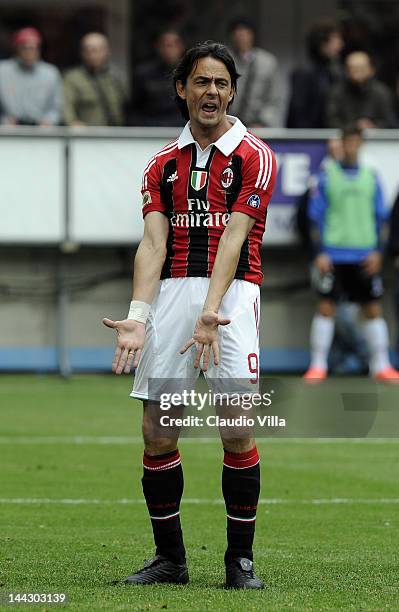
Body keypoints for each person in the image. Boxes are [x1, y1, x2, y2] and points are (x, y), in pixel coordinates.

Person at [103, 41, 277, 588]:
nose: (212, 93)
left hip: (233, 299)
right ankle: (171, 561)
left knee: (236, 429)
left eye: (222, 84)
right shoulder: (162, 165)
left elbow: (235, 236)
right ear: (182, 88)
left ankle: (239, 562)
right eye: (202, 82)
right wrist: (138, 314)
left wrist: (210, 311)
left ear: (232, 92)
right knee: (159, 432)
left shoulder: (255, 155)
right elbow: (152, 245)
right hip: (174, 297)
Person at [304, 126, 399, 382]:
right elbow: (314, 218)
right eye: (348, 142)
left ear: (361, 145)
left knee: (372, 309)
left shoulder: (371, 177)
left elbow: (382, 219)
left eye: (356, 142)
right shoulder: (326, 176)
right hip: (333, 256)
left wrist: (378, 253)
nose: (351, 147)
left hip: (364, 256)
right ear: (341, 144)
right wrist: (320, 253)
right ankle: (318, 365)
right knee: (325, 308)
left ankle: (380, 365)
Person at [286, 19, 343, 128]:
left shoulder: (335, 71)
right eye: (336, 39)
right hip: (309, 138)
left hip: (328, 136)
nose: (340, 44)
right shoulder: (304, 73)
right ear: (323, 44)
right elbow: (298, 114)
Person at [0, 27, 62, 126]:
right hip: (8, 129)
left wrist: (49, 120)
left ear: (39, 49)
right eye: (25, 47)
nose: (29, 51)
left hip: (40, 129)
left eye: (33, 47)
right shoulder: (2, 70)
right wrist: (3, 121)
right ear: (17, 48)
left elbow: (56, 107)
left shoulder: (50, 73)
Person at [63, 32, 125, 126]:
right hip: (88, 135)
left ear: (107, 51)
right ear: (82, 53)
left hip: (116, 133)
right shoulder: (73, 78)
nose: (92, 55)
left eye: (96, 50)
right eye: (88, 50)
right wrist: (72, 122)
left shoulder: (115, 77)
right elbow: (66, 107)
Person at [227, 17, 280, 127]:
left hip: (257, 125)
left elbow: (273, 99)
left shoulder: (267, 62)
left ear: (252, 35)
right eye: (237, 32)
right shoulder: (224, 59)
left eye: (244, 32)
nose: (241, 36)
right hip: (226, 122)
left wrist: (262, 122)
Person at [327, 51, 396, 129]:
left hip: (375, 138)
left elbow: (390, 121)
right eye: (353, 68)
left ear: (371, 69)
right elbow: (331, 121)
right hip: (345, 138)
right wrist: (354, 127)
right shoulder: (337, 92)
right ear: (346, 70)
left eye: (361, 68)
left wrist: (374, 126)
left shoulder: (382, 92)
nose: (357, 72)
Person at [130, 29, 185, 126]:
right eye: (166, 45)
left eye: (174, 45)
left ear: (181, 47)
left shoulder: (190, 73)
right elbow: (134, 109)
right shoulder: (144, 74)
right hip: (152, 128)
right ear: (158, 47)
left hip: (182, 128)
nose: (169, 50)